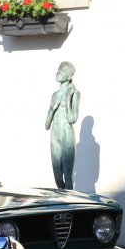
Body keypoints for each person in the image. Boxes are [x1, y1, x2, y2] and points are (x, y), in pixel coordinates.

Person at [46, 61, 80, 190]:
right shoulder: (54, 95)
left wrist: (68, 100)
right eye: (59, 69)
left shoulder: (74, 93)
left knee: (68, 175)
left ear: (69, 76)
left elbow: (72, 119)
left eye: (63, 70)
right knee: (58, 177)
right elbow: (47, 125)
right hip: (55, 134)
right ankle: (61, 197)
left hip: (66, 132)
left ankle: (68, 199)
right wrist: (52, 108)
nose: (59, 72)